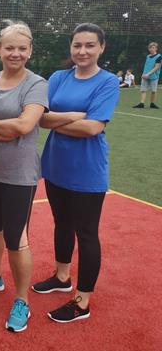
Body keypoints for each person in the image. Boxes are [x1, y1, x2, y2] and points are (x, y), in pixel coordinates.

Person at [32, 23, 119, 323]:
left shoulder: (108, 82)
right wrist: (74, 117)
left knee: (87, 233)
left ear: (101, 47)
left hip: (87, 170)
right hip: (56, 165)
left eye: (90, 45)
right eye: (77, 45)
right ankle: (62, 276)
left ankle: (82, 302)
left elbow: (93, 128)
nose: (82, 51)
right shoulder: (59, 77)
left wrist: (58, 120)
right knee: (62, 224)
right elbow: (40, 119)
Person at [0, 22, 48, 333]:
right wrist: (2, 129)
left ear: (30, 51)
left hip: (18, 174)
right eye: (10, 47)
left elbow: (25, 126)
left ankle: (22, 300)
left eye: (22, 48)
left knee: (16, 238)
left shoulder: (36, 84)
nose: (16, 53)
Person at [133, 42, 160, 108]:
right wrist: (144, 74)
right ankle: (142, 104)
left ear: (156, 48)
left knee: (153, 91)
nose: (151, 49)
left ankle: (152, 104)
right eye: (150, 48)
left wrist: (148, 74)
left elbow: (156, 67)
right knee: (143, 90)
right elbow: (146, 66)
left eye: (153, 48)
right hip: (145, 76)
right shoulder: (148, 56)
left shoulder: (159, 56)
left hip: (154, 76)